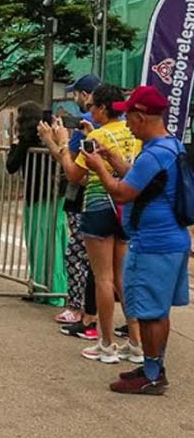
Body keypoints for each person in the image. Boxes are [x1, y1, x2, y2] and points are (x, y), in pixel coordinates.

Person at [80, 86, 189, 394]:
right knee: (157, 310)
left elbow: (122, 192)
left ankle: (153, 375)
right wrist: (114, 159)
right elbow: (139, 179)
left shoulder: (154, 154)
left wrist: (99, 168)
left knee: (151, 312)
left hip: (154, 245)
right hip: (170, 241)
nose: (125, 121)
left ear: (141, 117)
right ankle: (153, 366)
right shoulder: (170, 147)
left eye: (129, 115)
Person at [40, 84, 143, 364]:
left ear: (101, 108)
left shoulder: (97, 135)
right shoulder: (133, 135)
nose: (90, 110)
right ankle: (136, 343)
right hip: (125, 208)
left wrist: (60, 143)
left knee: (103, 279)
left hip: (98, 205)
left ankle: (106, 343)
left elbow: (74, 174)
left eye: (92, 106)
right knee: (122, 278)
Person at [7, 103, 68, 304]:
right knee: (55, 241)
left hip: (38, 197)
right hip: (55, 196)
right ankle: (54, 287)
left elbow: (11, 166)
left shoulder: (27, 141)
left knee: (39, 243)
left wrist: (16, 143)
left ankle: (46, 288)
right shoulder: (52, 137)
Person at [57, 74, 102, 334]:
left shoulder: (87, 127)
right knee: (104, 268)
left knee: (79, 256)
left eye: (77, 95)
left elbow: (72, 170)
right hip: (104, 202)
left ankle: (83, 313)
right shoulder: (115, 128)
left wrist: (59, 142)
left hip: (88, 202)